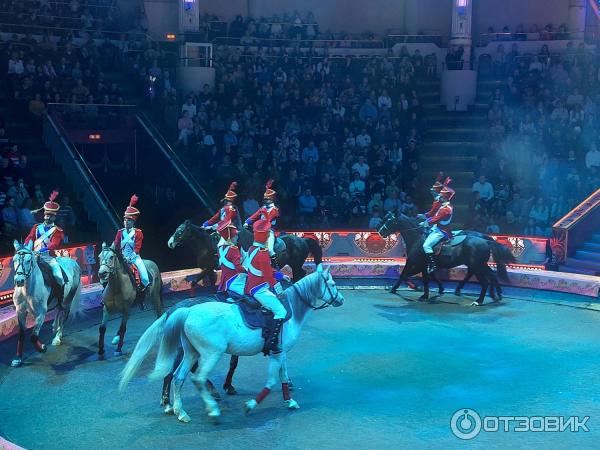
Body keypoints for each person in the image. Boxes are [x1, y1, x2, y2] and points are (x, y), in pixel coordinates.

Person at [243, 219, 287, 354]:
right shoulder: (263, 253)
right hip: (259, 289)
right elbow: (268, 276)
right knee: (281, 311)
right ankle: (271, 343)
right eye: (268, 234)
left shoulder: (252, 249)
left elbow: (264, 269)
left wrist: (280, 275)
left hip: (250, 285)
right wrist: (279, 290)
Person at [24, 191, 65, 304]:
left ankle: (60, 298)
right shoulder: (36, 227)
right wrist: (27, 248)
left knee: (59, 277)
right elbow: (30, 238)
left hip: (48, 258)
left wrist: (42, 250)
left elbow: (54, 244)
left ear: (54, 217)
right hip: (33, 256)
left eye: (50, 216)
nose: (47, 217)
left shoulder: (57, 230)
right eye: (46, 215)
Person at [114, 195, 149, 297]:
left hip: (134, 258)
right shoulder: (120, 232)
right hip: (121, 258)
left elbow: (137, 248)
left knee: (145, 277)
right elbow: (116, 246)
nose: (126, 222)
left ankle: (144, 293)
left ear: (133, 221)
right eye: (125, 220)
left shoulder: (138, 233)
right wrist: (120, 257)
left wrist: (130, 258)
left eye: (128, 220)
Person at [244, 180, 280, 267]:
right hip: (260, 231)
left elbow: (267, 220)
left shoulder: (275, 210)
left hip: (269, 231)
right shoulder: (263, 208)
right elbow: (255, 215)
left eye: (267, 199)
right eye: (265, 199)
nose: (265, 201)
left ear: (271, 199)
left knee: (270, 250)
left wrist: (258, 225)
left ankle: (275, 266)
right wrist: (247, 222)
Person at [420, 186, 455, 273]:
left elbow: (436, 219)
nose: (439, 197)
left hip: (441, 231)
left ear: (445, 198)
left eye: (441, 196)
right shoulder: (443, 205)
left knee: (426, 246)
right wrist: (424, 217)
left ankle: (432, 265)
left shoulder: (446, 209)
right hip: (436, 227)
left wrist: (425, 223)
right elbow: (433, 215)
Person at [216, 219, 246, 295]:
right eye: (236, 236)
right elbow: (238, 268)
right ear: (232, 238)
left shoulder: (219, 249)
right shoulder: (234, 249)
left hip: (223, 283)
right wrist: (249, 271)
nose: (237, 238)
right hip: (235, 281)